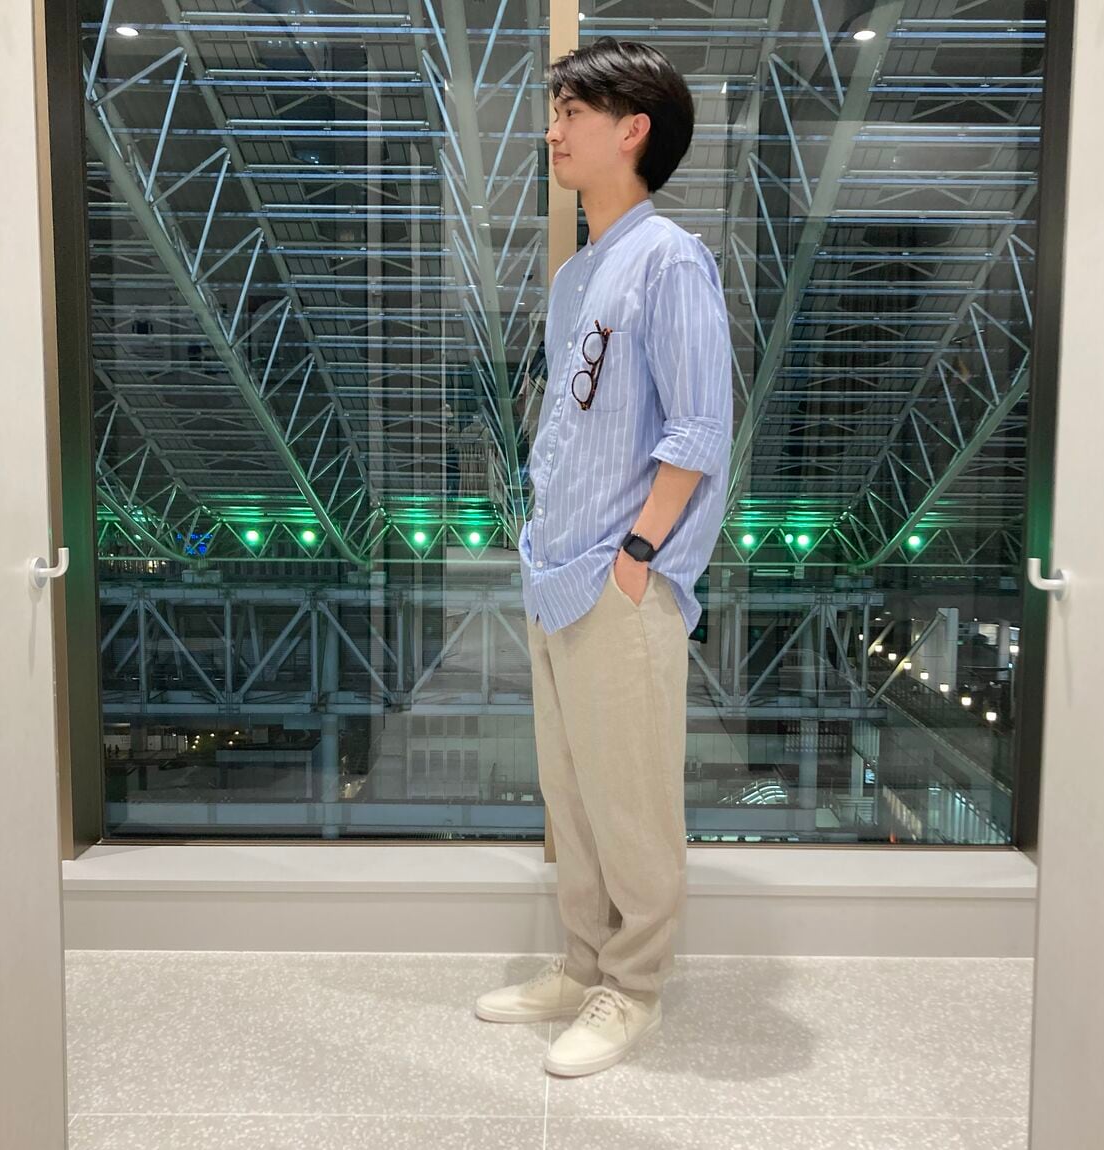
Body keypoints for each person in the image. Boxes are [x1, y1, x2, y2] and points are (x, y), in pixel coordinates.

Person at [474, 37, 733, 1077]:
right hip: (556, 573)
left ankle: (634, 987)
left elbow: (699, 428)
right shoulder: (580, 273)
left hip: (618, 580)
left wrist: (638, 555)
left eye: (570, 112)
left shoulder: (670, 259)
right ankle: (583, 963)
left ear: (632, 129)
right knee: (572, 795)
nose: (552, 131)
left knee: (631, 804)